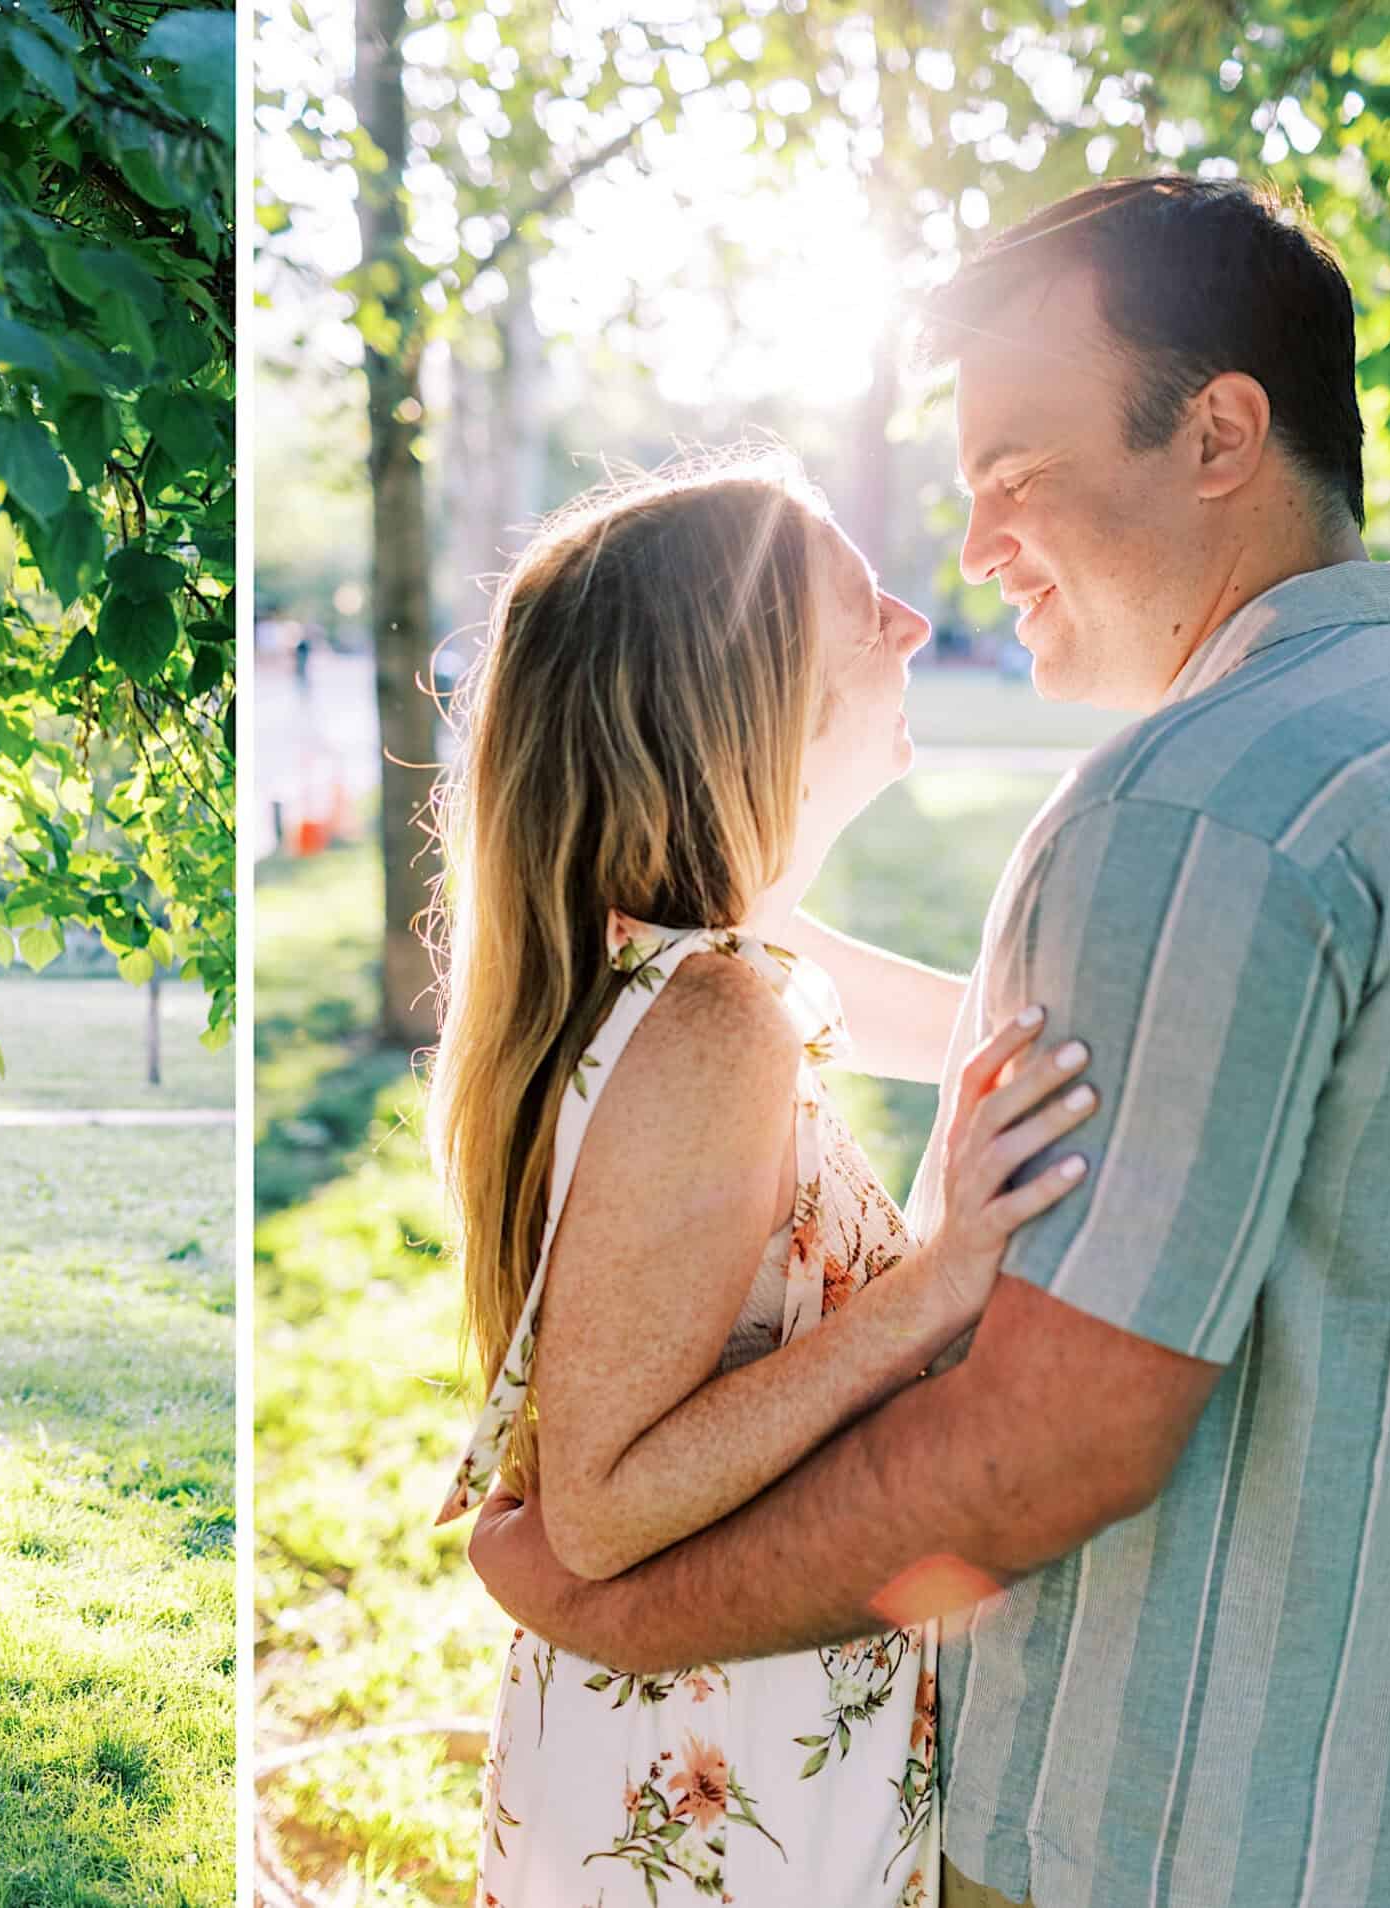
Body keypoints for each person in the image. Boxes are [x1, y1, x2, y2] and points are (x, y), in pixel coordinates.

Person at [469, 177, 1390, 1908]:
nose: (954, 574)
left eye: (1015, 474)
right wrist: (944, 1261)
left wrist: (608, 1608)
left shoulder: (1192, 815)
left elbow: (1059, 1433)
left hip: (1147, 1832)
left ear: (1219, 435)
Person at [429, 452, 1099, 1905]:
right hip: (716, 1782)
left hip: (711, 1744)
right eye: (866, 610)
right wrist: (936, 1286)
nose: (917, 627)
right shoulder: (711, 1022)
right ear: (756, 689)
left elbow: (985, 1030)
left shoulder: (711, 961)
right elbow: (600, 1508)